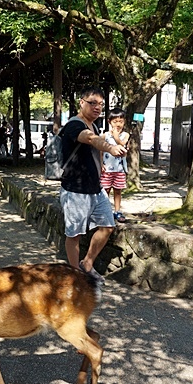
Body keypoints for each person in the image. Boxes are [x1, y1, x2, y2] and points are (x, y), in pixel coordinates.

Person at [60, 87, 127, 279]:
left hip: (96, 189)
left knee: (108, 225)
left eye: (101, 105)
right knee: (74, 235)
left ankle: (87, 264)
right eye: (92, 103)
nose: (97, 108)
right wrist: (111, 148)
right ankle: (76, 275)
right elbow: (90, 140)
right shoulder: (74, 125)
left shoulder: (94, 126)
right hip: (75, 190)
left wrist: (102, 166)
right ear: (82, 103)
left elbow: (95, 144)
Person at [101, 108, 129, 223]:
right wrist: (100, 163)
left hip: (119, 169)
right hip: (106, 169)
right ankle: (105, 211)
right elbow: (100, 150)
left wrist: (116, 136)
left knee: (118, 191)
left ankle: (118, 211)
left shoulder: (125, 135)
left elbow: (122, 145)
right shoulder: (105, 135)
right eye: (115, 121)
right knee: (105, 190)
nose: (118, 124)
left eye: (121, 121)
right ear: (109, 122)